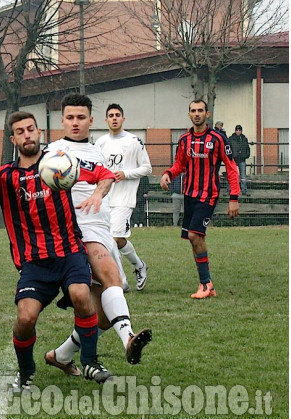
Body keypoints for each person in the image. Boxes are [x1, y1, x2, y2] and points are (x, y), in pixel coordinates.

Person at [0, 111, 116, 390]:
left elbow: (104, 174)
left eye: (31, 129)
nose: (27, 134)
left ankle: (90, 360)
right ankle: (26, 371)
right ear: (13, 138)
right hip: (33, 263)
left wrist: (99, 192)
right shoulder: (5, 177)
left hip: (69, 253)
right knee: (25, 318)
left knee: (80, 293)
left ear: (39, 133)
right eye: (20, 131)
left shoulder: (59, 164)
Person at [46, 94, 152, 373]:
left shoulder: (97, 152)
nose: (75, 123)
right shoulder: (53, 151)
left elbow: (105, 177)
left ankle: (61, 355)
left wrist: (98, 193)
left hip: (100, 225)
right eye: (70, 117)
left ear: (91, 120)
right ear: (62, 120)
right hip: (80, 228)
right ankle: (128, 338)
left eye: (81, 117)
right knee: (112, 277)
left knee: (102, 316)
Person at [160, 99, 240, 299]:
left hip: (208, 194)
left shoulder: (218, 138)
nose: (197, 114)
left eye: (200, 110)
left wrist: (234, 197)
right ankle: (208, 285)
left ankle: (205, 283)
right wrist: (168, 173)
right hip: (189, 194)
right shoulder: (184, 139)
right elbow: (180, 163)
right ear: (189, 114)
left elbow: (231, 168)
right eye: (193, 111)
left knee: (195, 236)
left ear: (207, 114)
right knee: (194, 238)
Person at [95, 104, 152, 290]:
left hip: (124, 199)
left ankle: (121, 281)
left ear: (123, 119)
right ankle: (139, 265)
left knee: (114, 240)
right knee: (112, 241)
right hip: (105, 199)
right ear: (106, 120)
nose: (114, 118)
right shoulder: (100, 143)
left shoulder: (134, 141)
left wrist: (125, 174)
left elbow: (147, 168)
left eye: (117, 115)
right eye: (110, 115)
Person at [228, 125, 251, 196]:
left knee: (243, 176)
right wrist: (230, 157)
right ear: (235, 130)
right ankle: (229, 189)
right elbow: (228, 148)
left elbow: (247, 148)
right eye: (237, 130)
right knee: (232, 175)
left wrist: (246, 155)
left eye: (239, 130)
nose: (238, 131)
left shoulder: (244, 139)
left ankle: (244, 190)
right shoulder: (231, 139)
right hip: (233, 159)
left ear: (241, 131)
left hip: (242, 159)